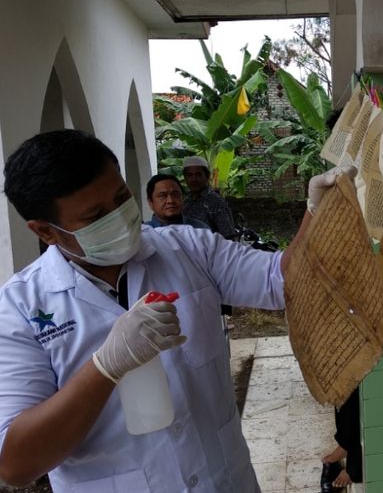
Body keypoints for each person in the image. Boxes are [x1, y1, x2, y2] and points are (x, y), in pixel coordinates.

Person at [0, 129, 354, 493]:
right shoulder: (20, 308)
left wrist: (318, 214)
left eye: (122, 197)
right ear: (46, 231)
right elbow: (16, 465)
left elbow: (282, 282)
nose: (119, 217)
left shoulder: (187, 247)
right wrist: (106, 366)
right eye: (95, 216)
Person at [181, 156, 236, 239]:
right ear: (185, 178)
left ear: (207, 176)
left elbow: (228, 237)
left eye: (198, 174)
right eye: (189, 175)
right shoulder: (185, 201)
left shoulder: (217, 203)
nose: (194, 179)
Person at [145, 173, 209, 230]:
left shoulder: (200, 229)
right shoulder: (142, 233)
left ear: (182, 197)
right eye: (162, 196)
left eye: (175, 194)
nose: (170, 200)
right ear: (150, 202)